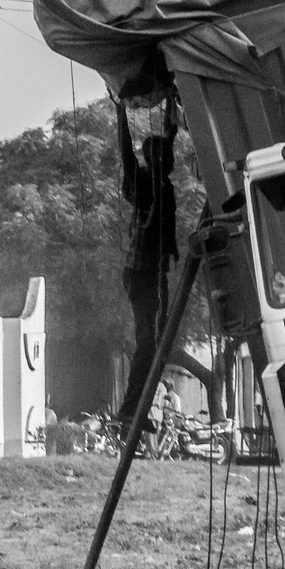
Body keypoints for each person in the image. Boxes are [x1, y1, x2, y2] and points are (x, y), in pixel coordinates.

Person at [115, 96, 181, 438]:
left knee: (158, 343)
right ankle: (130, 411)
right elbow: (126, 152)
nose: (165, 158)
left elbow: (169, 133)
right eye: (158, 154)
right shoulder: (141, 183)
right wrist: (120, 111)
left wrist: (171, 98)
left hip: (154, 272)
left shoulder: (163, 181)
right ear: (151, 159)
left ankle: (138, 410)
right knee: (148, 342)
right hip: (142, 274)